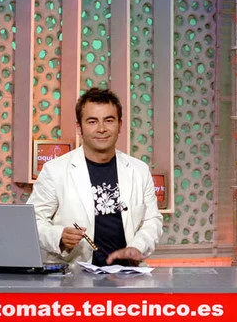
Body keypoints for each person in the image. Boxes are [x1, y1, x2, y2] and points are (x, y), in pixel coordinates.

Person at [28, 88, 163, 265]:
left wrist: (137, 247)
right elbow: (33, 221)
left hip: (128, 274)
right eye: (92, 121)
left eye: (109, 120)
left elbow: (152, 220)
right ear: (79, 128)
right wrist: (59, 236)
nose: (101, 129)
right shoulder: (54, 171)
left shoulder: (139, 170)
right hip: (75, 274)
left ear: (120, 125)